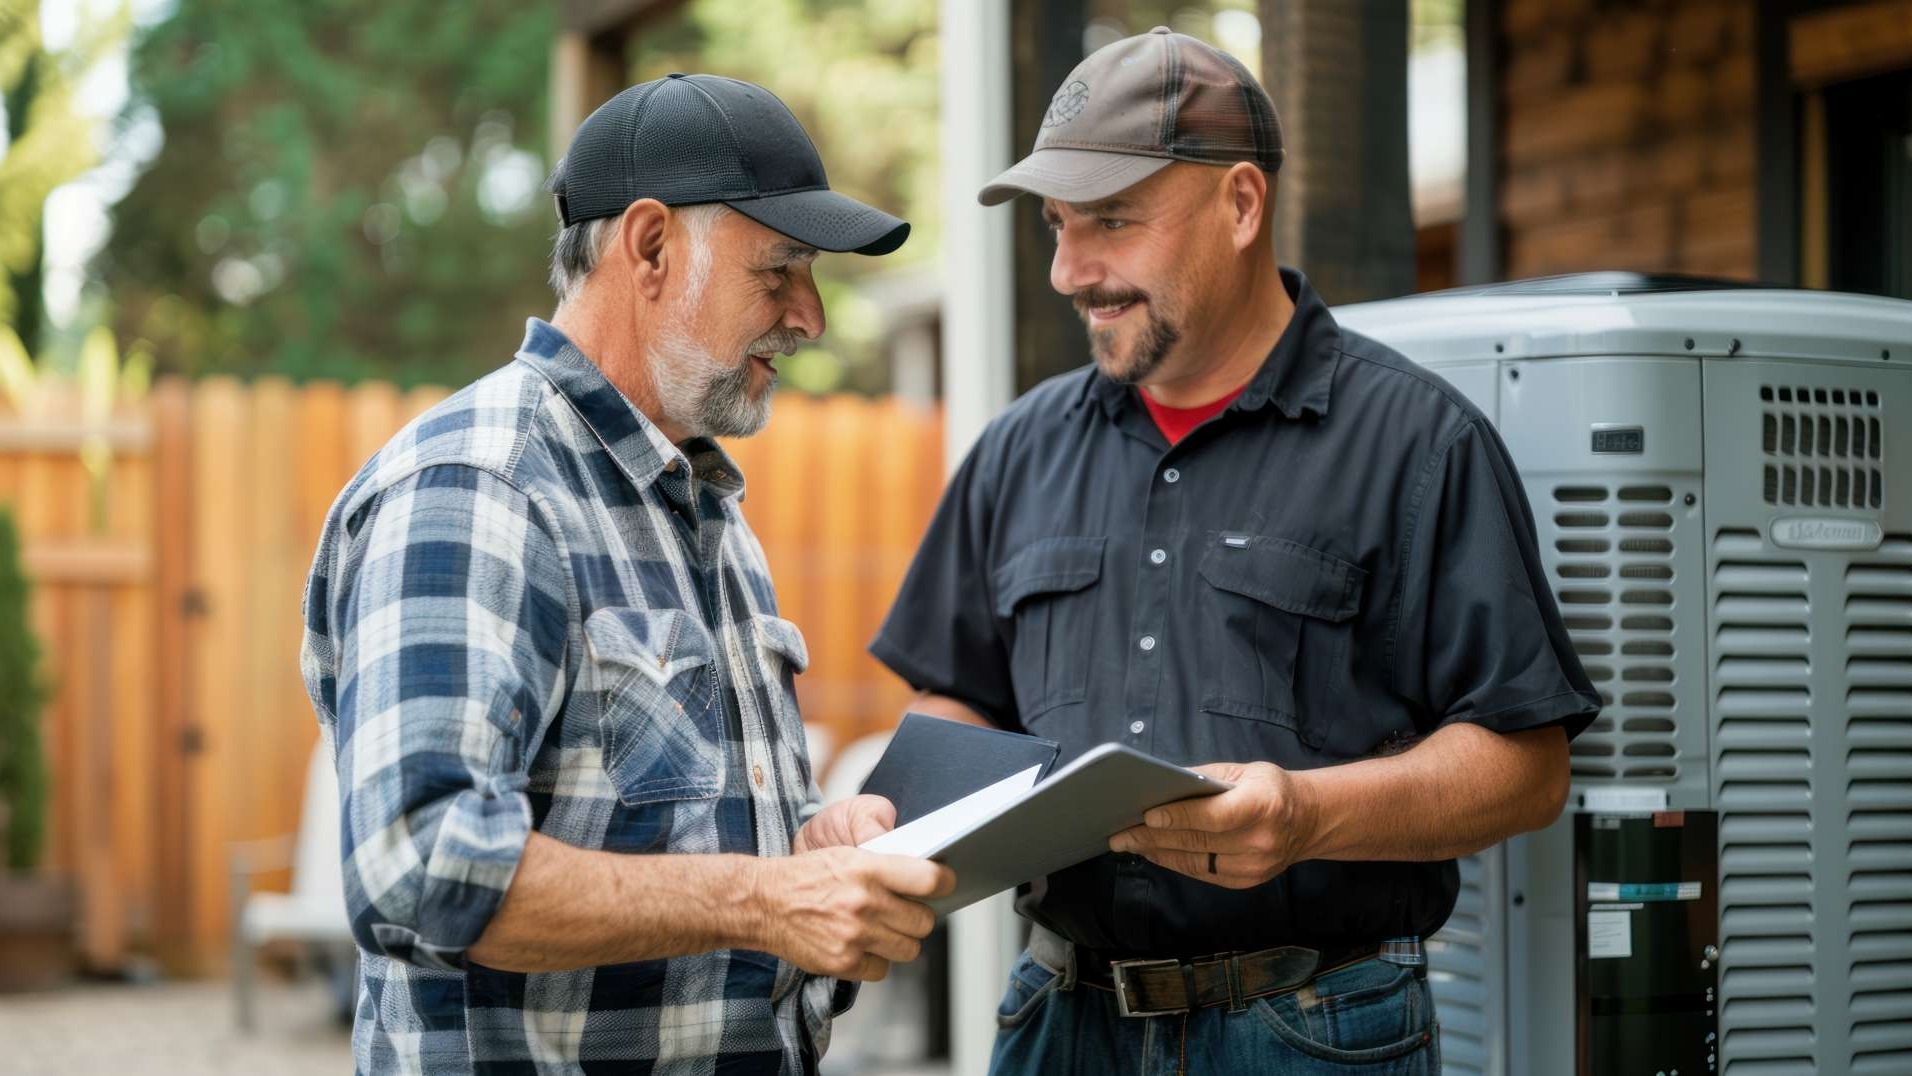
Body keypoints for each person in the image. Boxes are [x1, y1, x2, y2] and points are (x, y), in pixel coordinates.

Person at [871, 28, 1598, 1073]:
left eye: (1112, 223)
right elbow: (954, 699)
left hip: (1314, 1027)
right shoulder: (1018, 449)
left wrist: (1307, 815)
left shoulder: (1418, 444)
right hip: (1056, 1020)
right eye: (1057, 227)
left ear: (1242, 204)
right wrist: (899, 812)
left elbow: (1525, 769)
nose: (1072, 272)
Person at [300, 73, 951, 1074]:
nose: (809, 316)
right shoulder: (478, 489)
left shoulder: (708, 509)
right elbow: (424, 865)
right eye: (778, 271)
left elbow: (694, 853)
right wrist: (768, 898)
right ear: (649, 246)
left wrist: (816, 855)